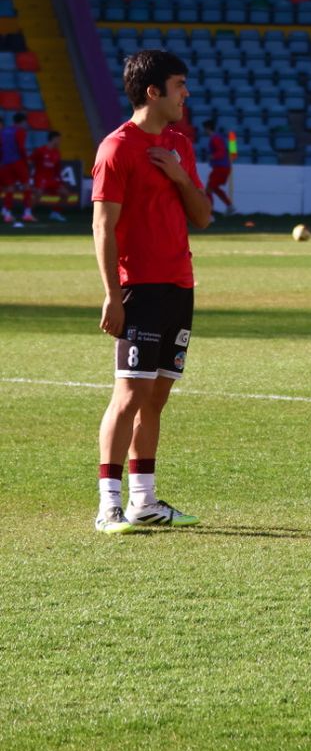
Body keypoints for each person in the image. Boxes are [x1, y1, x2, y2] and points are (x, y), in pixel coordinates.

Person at [89, 49, 212, 534]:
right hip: (137, 287)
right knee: (129, 393)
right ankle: (108, 505)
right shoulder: (116, 148)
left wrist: (180, 175)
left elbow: (201, 216)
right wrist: (112, 295)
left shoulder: (181, 144)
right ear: (153, 91)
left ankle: (145, 501)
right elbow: (103, 226)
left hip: (179, 285)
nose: (186, 93)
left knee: (157, 395)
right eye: (179, 84)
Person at [1, 111, 36, 225]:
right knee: (26, 186)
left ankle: (7, 214)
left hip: (5, 163)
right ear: (23, 121)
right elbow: (21, 148)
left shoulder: (4, 131)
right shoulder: (20, 131)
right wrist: (26, 162)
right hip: (18, 162)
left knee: (9, 188)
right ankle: (27, 213)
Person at [29, 129, 68, 221]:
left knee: (65, 194)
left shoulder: (56, 152)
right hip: (40, 178)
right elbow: (30, 161)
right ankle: (28, 213)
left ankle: (55, 212)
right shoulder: (40, 150)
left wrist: (60, 181)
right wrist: (30, 177)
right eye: (59, 139)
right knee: (38, 194)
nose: (60, 142)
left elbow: (57, 169)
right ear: (54, 139)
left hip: (52, 179)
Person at [201, 118, 234, 215]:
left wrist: (212, 156)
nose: (204, 131)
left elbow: (221, 152)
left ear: (208, 128)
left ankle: (209, 214)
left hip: (221, 167)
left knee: (209, 189)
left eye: (205, 129)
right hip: (221, 167)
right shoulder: (217, 137)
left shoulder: (215, 138)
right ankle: (229, 206)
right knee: (213, 188)